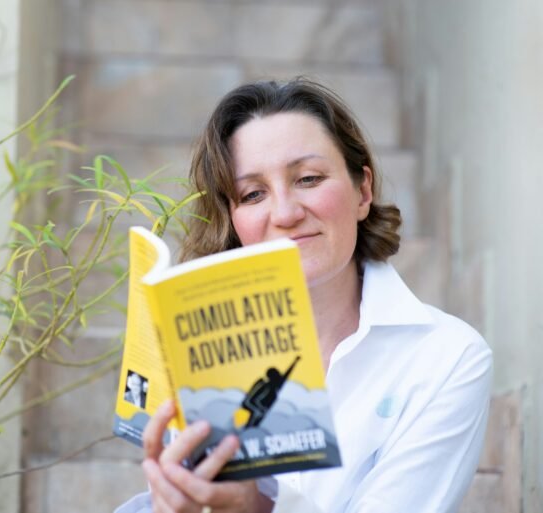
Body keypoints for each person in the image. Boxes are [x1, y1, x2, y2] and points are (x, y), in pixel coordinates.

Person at [115, 78, 492, 513]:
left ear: (363, 191)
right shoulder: (199, 355)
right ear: (232, 219)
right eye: (253, 194)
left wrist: (259, 507)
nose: (285, 213)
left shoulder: (448, 357)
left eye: (309, 178)